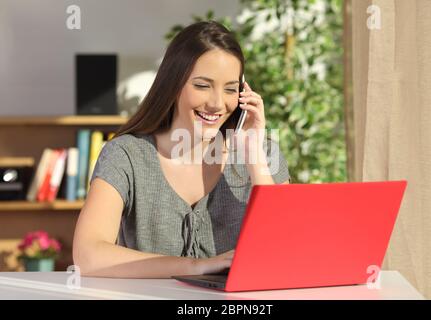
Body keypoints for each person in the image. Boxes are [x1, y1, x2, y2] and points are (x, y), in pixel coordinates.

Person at [72, 21, 290, 278]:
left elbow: (286, 250)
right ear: (173, 84)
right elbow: (88, 256)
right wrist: (196, 266)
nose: (217, 103)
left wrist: (254, 156)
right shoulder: (126, 155)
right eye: (202, 85)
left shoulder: (263, 155)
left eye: (230, 89)